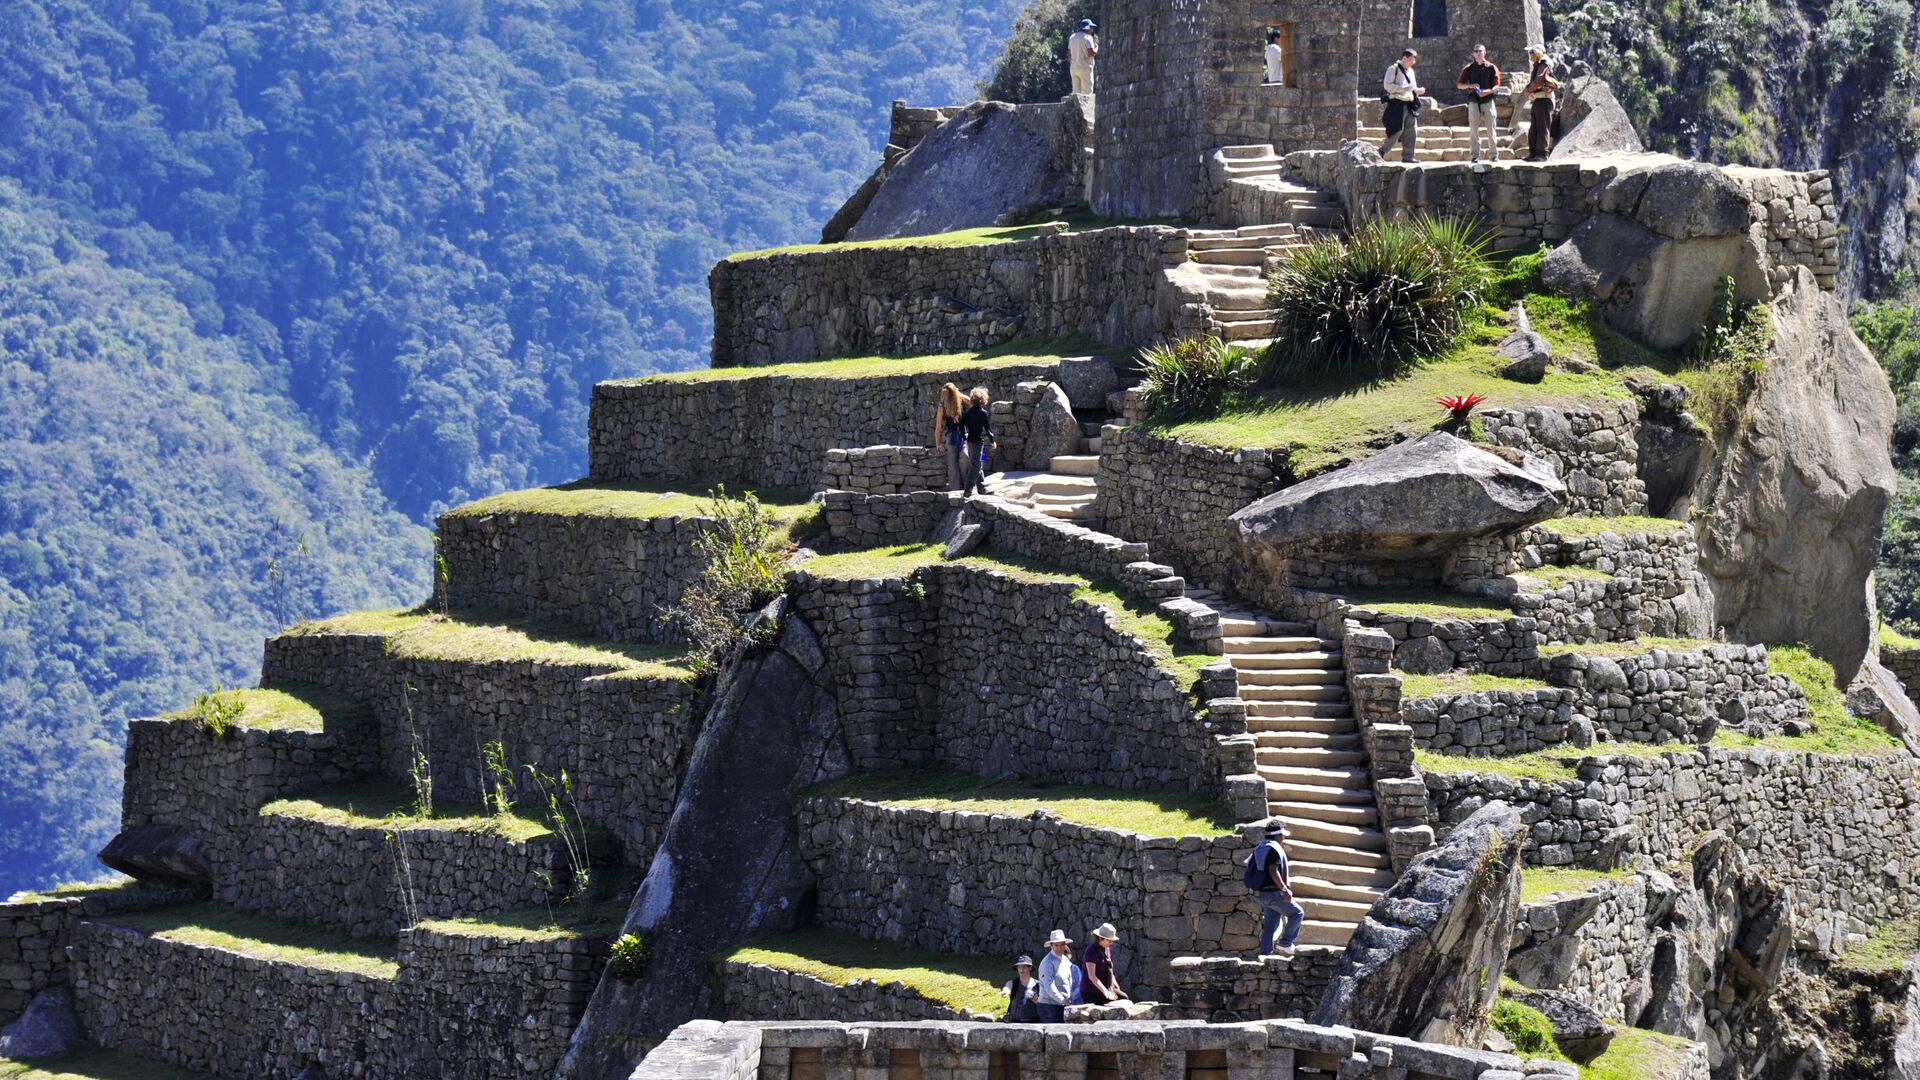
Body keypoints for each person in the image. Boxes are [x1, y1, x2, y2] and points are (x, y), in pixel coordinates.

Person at [1247, 821, 1305, 958]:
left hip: (1264, 894)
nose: (1283, 838)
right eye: (1282, 835)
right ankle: (1285, 943)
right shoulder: (1274, 849)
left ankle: (1265, 954)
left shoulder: (1261, 847)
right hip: (1275, 893)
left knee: (1270, 925)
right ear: (1277, 835)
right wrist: (1285, 889)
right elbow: (1273, 871)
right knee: (1297, 914)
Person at [1455, 44, 1502, 164]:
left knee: (1491, 128)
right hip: (1473, 100)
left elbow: (1497, 86)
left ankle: (1493, 155)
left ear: (1485, 52)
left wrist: (1488, 91)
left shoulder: (1492, 67)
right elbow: (1459, 85)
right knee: (1473, 129)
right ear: (1473, 53)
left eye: (1480, 51)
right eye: (1475, 51)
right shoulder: (1468, 68)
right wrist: (1470, 85)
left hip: (1488, 100)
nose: (1478, 53)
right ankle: (1474, 155)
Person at [1379, 49, 1425, 164]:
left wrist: (1418, 90)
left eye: (1414, 61)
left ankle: (1408, 156)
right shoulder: (1393, 69)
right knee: (1397, 129)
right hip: (1397, 103)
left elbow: (1412, 87)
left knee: (1412, 130)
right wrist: (1401, 89)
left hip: (1409, 104)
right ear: (1404, 58)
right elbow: (1387, 85)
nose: (1412, 63)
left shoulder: (1411, 71)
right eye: (1411, 60)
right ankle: (1382, 151)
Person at [1031, 930, 1078, 1022]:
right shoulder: (1047, 963)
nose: (1060, 948)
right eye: (1056, 945)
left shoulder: (1065, 960)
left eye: (1062, 945)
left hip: (1063, 1005)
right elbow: (1049, 986)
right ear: (1051, 946)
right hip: (1049, 1007)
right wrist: (1062, 1001)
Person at [1522, 45, 1558, 161]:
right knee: (1534, 128)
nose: (1529, 55)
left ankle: (1542, 155)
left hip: (1544, 100)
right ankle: (1533, 154)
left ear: (1536, 53)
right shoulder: (1538, 65)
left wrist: (1528, 90)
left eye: (1531, 52)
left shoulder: (1544, 63)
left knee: (1542, 127)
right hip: (1537, 100)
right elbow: (1535, 81)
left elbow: (1539, 80)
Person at [957, 386, 995, 496]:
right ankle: (967, 490)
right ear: (983, 399)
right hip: (978, 442)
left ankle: (982, 489)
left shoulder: (968, 412)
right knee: (976, 466)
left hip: (970, 442)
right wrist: (992, 441)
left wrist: (964, 437)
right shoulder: (982, 413)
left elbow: (961, 425)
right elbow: (988, 429)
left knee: (978, 464)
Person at [1080, 923, 1129, 1005]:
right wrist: (1105, 991)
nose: (1111, 943)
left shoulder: (1107, 948)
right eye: (1109, 941)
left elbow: (1108, 968)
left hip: (1106, 986)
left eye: (1112, 941)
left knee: (1124, 998)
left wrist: (1114, 982)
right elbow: (1092, 976)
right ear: (1101, 938)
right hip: (1091, 990)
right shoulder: (1091, 951)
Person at [933, 382, 966, 491]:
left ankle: (968, 486)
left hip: (963, 435)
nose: (945, 396)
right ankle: (954, 490)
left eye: (948, 394)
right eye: (944, 394)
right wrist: (938, 443)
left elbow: (973, 402)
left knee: (964, 457)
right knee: (952, 464)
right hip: (951, 435)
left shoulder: (960, 400)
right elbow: (938, 425)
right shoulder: (942, 405)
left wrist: (959, 393)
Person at [1001, 955, 1041, 1022]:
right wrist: (1006, 991)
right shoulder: (1013, 983)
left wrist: (1037, 1000)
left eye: (1024, 967)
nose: (1021, 969)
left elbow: (1043, 1005)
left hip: (1033, 1023)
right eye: (1019, 967)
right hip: (1014, 1022)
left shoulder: (1038, 985)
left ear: (1030, 968)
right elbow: (1007, 987)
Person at [1069, 19, 1099, 96]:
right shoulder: (1088, 38)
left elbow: (1069, 53)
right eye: (1091, 27)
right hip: (1085, 68)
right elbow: (1091, 52)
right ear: (1087, 28)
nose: (1092, 30)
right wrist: (1097, 47)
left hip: (1074, 68)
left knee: (1076, 93)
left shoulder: (1072, 37)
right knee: (1086, 93)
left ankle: (1075, 108)